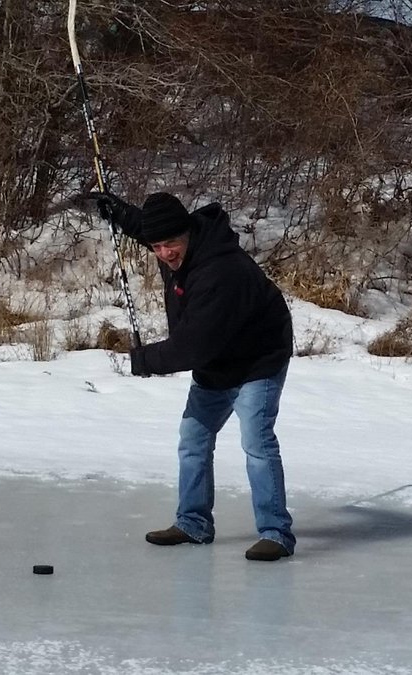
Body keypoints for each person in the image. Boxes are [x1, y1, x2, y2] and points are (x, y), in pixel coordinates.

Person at [86, 191, 296, 561]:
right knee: (193, 439)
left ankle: (276, 533)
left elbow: (192, 347)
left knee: (257, 443)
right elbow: (151, 229)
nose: (165, 254)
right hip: (217, 361)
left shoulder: (220, 271)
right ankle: (193, 523)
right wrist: (118, 212)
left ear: (188, 234)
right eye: (157, 246)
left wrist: (144, 360)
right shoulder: (186, 237)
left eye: (171, 244)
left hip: (257, 359)